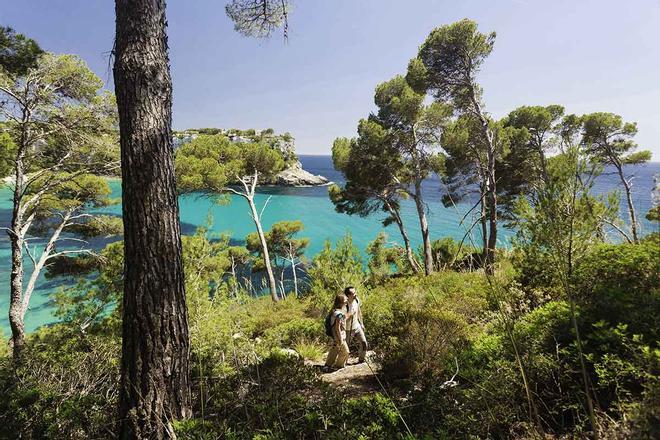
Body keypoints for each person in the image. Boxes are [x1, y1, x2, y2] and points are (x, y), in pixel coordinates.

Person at [324, 294, 350, 371]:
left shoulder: (335, 311)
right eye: (345, 300)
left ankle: (328, 365)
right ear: (341, 302)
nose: (346, 301)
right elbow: (337, 327)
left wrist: (350, 314)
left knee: (334, 349)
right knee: (345, 351)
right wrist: (340, 338)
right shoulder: (338, 313)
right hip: (338, 336)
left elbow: (343, 318)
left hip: (336, 336)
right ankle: (338, 365)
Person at [344, 286, 368, 363]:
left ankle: (361, 359)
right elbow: (342, 319)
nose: (355, 294)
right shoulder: (344, 305)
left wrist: (362, 323)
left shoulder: (357, 300)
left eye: (355, 292)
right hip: (347, 330)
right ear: (348, 295)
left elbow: (359, 312)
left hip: (357, 326)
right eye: (353, 293)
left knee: (364, 343)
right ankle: (343, 362)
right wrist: (350, 315)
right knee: (346, 348)